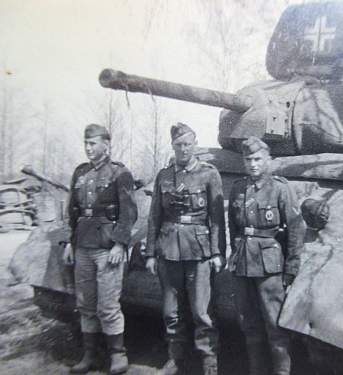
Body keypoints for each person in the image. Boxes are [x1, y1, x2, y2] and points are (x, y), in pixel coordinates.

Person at [145, 122, 226, 375]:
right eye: (179, 145)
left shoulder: (209, 174)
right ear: (173, 146)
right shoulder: (164, 176)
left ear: (195, 145)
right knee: (171, 311)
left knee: (202, 311)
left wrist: (216, 252)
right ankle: (175, 358)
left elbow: (216, 218)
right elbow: (154, 216)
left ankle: (209, 362)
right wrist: (149, 253)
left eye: (188, 144)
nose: (183, 149)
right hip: (168, 249)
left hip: (199, 250)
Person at [62, 124, 138, 374]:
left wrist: (119, 243)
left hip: (107, 247)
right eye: (86, 143)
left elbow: (129, 212)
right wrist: (69, 243)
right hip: (83, 245)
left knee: (108, 305)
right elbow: (72, 211)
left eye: (93, 143)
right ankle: (90, 355)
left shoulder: (119, 173)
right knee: (86, 304)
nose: (88, 148)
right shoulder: (80, 173)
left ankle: (118, 354)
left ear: (106, 144)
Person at [228, 136, 306, 375]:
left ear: (268, 160)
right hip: (242, 263)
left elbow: (295, 228)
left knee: (275, 325)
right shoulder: (238, 188)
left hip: (269, 265)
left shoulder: (280, 189)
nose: (253, 164)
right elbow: (234, 227)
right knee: (249, 323)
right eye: (248, 159)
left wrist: (291, 266)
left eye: (258, 159)